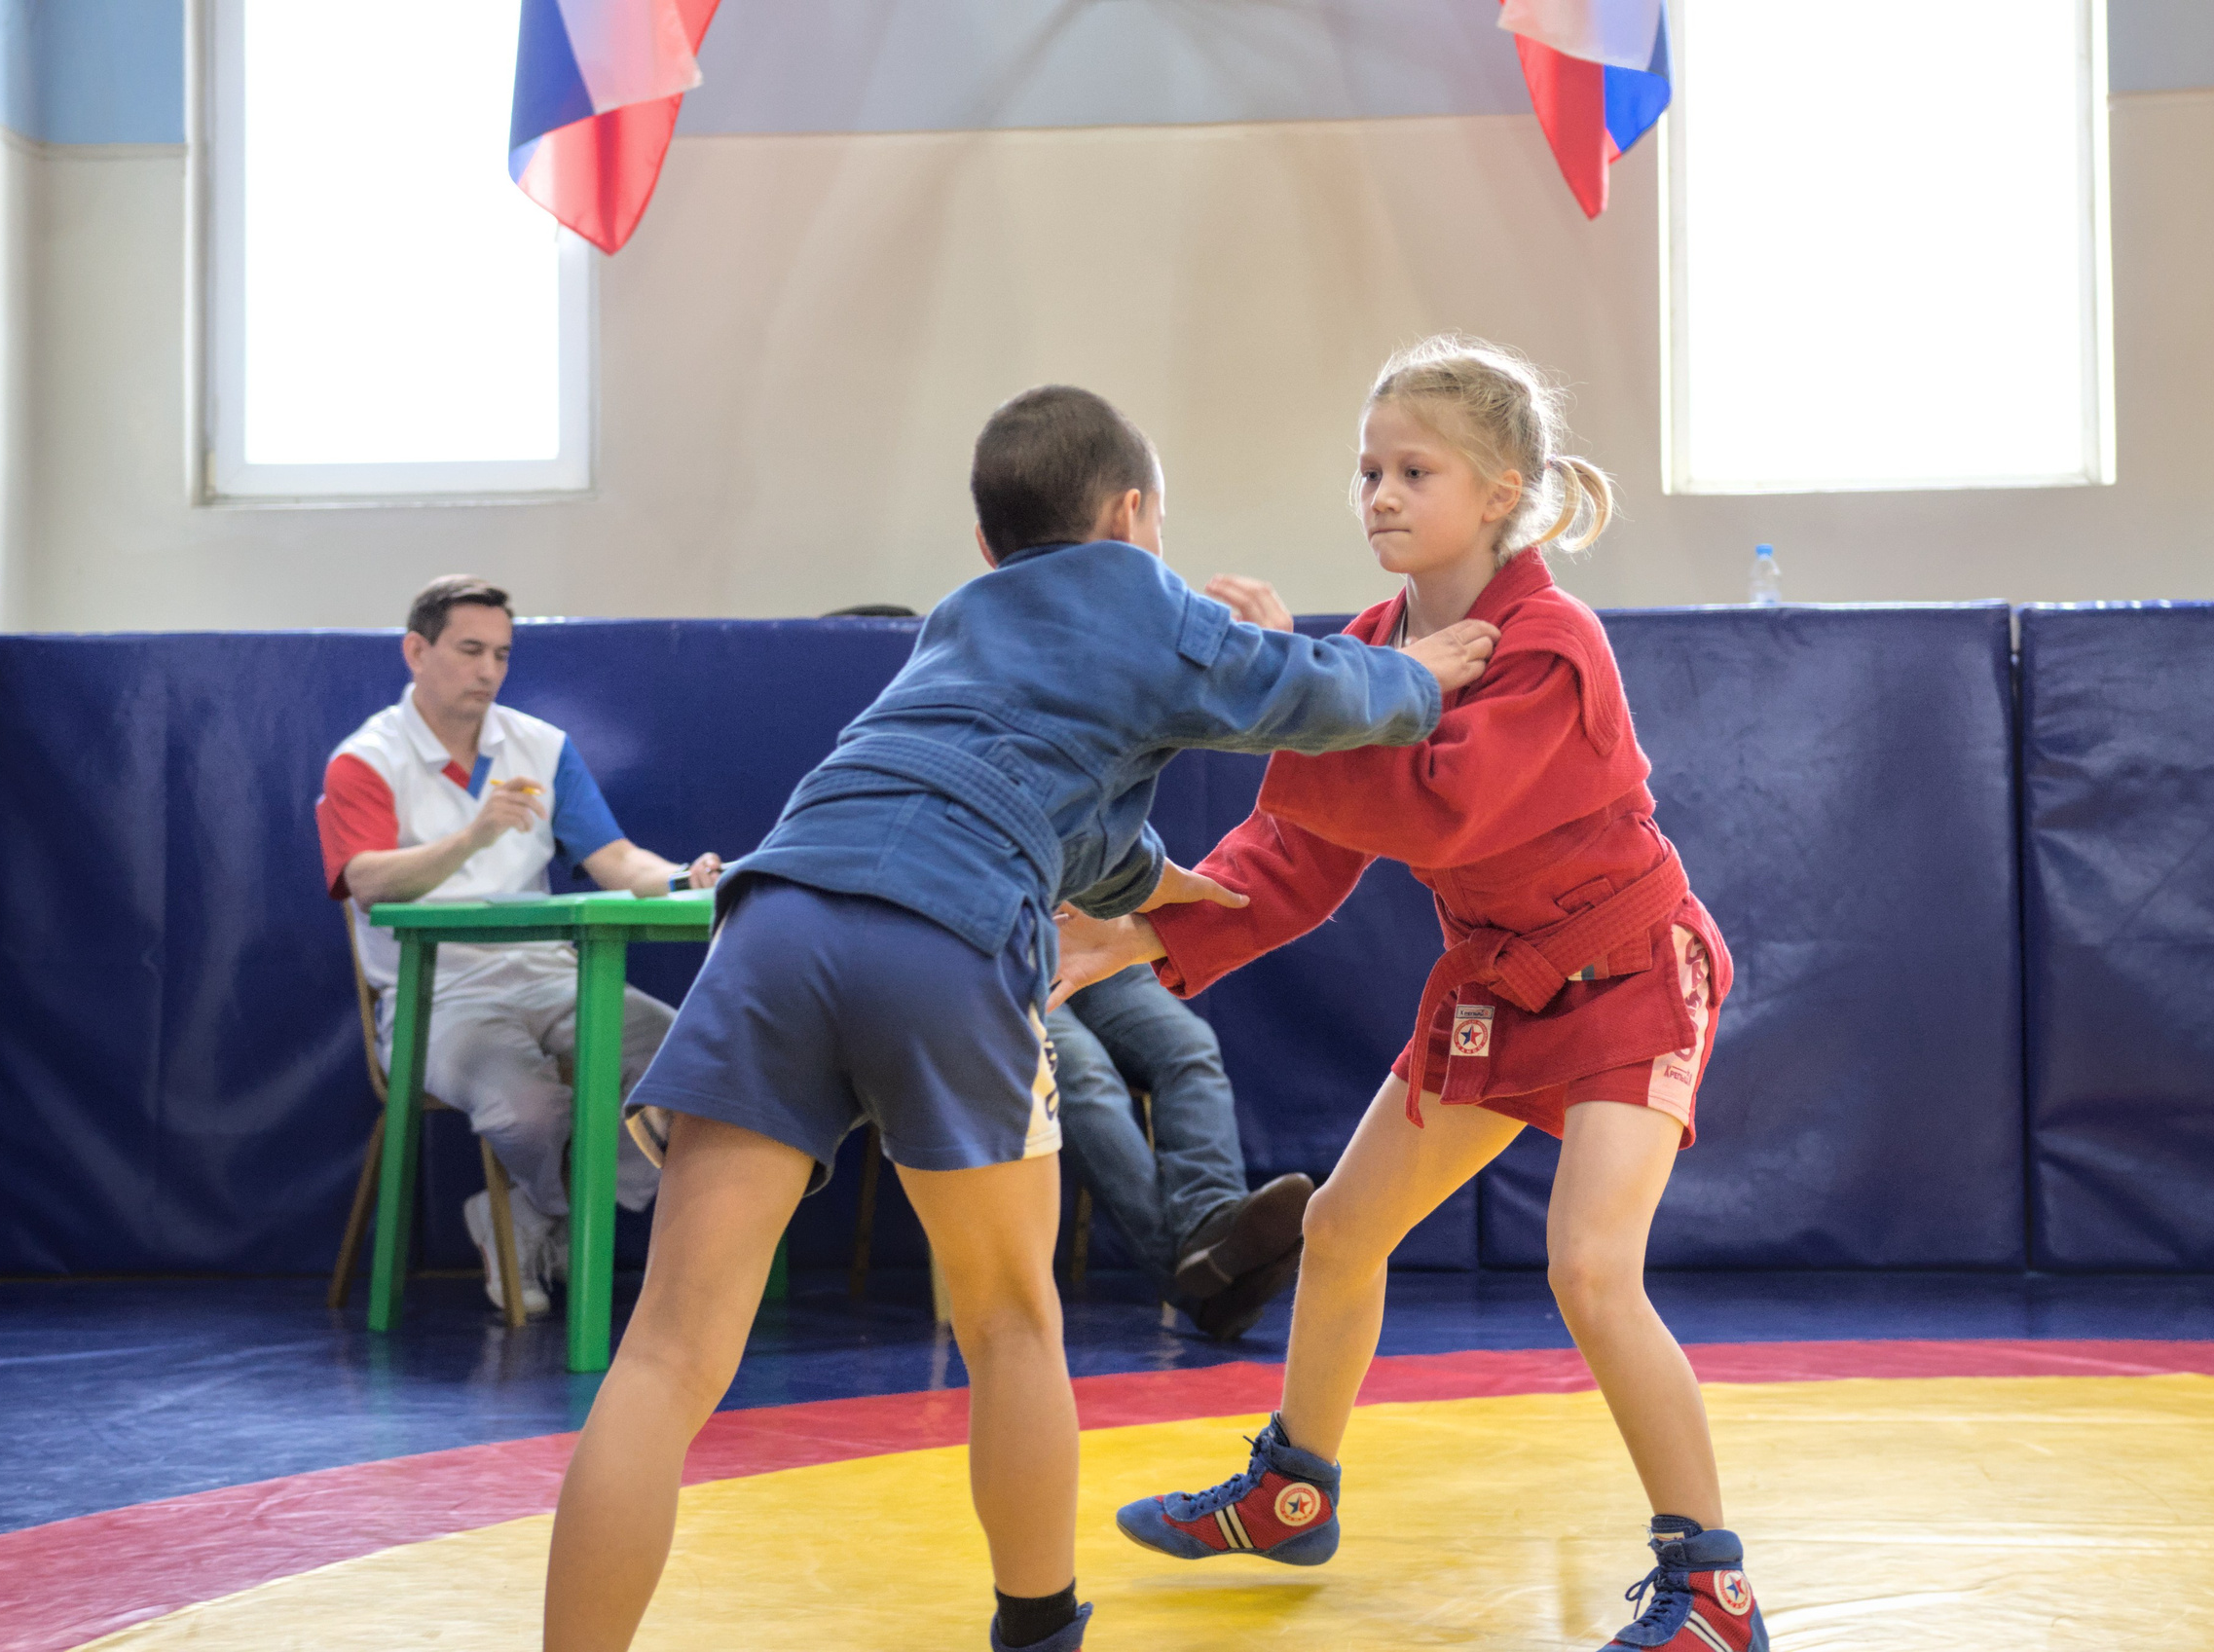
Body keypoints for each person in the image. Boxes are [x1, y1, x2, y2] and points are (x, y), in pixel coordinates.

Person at [539, 385, 1502, 1652]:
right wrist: (1418, 677)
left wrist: (1176, 889)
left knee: (665, 1356)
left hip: (778, 913)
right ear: (1132, 514)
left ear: (988, 544)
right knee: (1008, 1323)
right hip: (940, 929)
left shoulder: (961, 620)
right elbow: (1292, 690)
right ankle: (1039, 1628)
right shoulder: (1130, 585)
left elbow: (1066, 821)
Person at [1059, 336, 1763, 1652]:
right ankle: (1291, 1488)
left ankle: (1711, 1584)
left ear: (1502, 489)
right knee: (1339, 1229)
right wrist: (1143, 930)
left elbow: (1442, 805)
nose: (1378, 493)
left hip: (1630, 977)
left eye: (1412, 470)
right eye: (1366, 469)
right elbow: (1299, 855)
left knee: (1594, 1270)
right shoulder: (1381, 643)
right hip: (1500, 987)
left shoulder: (1553, 646)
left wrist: (1274, 701)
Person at [314, 576, 722, 1318]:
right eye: (470, 650)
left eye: (501, 653)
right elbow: (368, 882)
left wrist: (681, 879)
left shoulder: (542, 745)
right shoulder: (364, 760)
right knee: (527, 1110)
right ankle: (553, 1217)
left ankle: (539, 1217)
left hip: (553, 975)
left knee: (695, 1067)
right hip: (435, 992)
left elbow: (617, 860)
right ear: (417, 650)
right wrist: (474, 833)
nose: (489, 671)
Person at [1049, 966, 1311, 1340]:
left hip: (1097, 953)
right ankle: (1199, 1286)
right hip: (1006, 957)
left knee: (1190, 1047)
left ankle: (1210, 1221)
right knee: (1084, 1074)